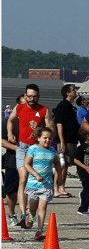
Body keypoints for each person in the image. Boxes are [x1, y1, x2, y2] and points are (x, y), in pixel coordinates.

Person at [7, 83, 54, 227]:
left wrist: (39, 128)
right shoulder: (19, 108)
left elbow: (51, 130)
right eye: (29, 96)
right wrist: (10, 133)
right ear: (25, 96)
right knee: (23, 179)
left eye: (34, 96)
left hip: (39, 149)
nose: (31, 99)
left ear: (38, 96)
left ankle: (31, 213)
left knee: (34, 183)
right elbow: (10, 120)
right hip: (22, 147)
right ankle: (23, 214)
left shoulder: (44, 110)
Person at [22, 127, 62, 240]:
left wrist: (59, 178)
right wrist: (36, 175)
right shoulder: (33, 149)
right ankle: (31, 216)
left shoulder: (52, 151)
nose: (47, 140)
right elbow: (26, 164)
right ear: (38, 138)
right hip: (33, 185)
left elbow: (58, 165)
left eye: (50, 139)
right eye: (45, 138)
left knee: (43, 206)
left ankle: (39, 230)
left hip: (46, 184)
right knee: (33, 207)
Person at [54, 84, 79, 197]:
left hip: (72, 140)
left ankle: (62, 187)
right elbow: (59, 125)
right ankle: (56, 188)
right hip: (65, 140)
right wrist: (62, 141)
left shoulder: (70, 106)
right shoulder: (62, 106)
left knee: (67, 164)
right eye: (74, 90)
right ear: (68, 93)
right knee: (61, 165)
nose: (75, 91)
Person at [1, 96, 23, 226]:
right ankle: (11, 214)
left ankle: (26, 215)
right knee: (11, 190)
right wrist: (17, 148)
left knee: (28, 189)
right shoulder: (8, 123)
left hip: (29, 161)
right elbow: (2, 141)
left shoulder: (33, 121)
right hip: (12, 160)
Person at [73, 129, 89, 216]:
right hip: (84, 172)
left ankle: (83, 196)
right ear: (87, 135)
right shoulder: (81, 147)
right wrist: (86, 167)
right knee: (87, 189)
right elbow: (75, 160)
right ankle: (82, 208)